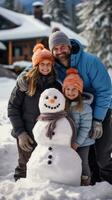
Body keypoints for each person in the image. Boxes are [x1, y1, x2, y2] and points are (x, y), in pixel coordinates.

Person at [48, 30, 112, 184]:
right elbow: (35, 66)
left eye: (62, 47)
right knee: (87, 153)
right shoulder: (55, 65)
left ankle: (109, 183)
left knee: (102, 155)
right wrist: (23, 77)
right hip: (78, 111)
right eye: (55, 49)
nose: (59, 51)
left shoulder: (90, 61)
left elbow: (105, 91)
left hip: (100, 110)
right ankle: (95, 186)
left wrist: (97, 119)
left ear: (69, 46)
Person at [8, 43, 62, 181]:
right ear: (36, 65)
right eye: (42, 64)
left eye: (48, 64)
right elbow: (13, 108)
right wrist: (20, 133)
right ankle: (19, 190)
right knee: (25, 165)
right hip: (27, 133)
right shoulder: (25, 82)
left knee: (42, 164)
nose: (45, 67)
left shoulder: (55, 85)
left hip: (46, 135)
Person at [62, 68, 95, 186]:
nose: (71, 92)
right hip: (67, 141)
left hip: (83, 142)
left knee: (82, 162)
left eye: (74, 89)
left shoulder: (85, 107)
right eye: (68, 89)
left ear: (79, 91)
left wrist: (77, 143)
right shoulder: (62, 105)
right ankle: (71, 180)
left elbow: (85, 128)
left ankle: (86, 182)